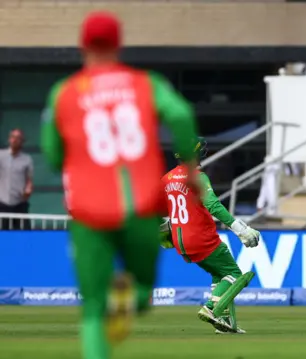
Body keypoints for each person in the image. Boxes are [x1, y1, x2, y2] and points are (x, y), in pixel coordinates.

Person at [40, 11, 199, 359]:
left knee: (93, 310)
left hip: (88, 211)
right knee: (142, 291)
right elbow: (182, 115)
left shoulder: (63, 93)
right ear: (118, 43)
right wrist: (187, 163)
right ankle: (132, 296)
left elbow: (52, 155)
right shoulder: (146, 83)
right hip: (140, 206)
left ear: (82, 45)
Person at [160, 137, 259, 334]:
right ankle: (212, 308)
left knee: (219, 274)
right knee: (234, 274)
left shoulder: (167, 178)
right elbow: (213, 205)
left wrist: (163, 233)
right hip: (202, 237)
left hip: (181, 241)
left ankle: (224, 322)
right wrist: (241, 228)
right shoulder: (197, 176)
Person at [0, 129, 33, 230]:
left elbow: (29, 180)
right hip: (2, 202)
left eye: (18, 138)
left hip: (20, 203)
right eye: (13, 137)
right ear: (9, 139)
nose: (15, 140)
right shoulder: (1, 155)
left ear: (22, 142)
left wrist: (28, 190)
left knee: (24, 234)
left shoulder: (27, 159)